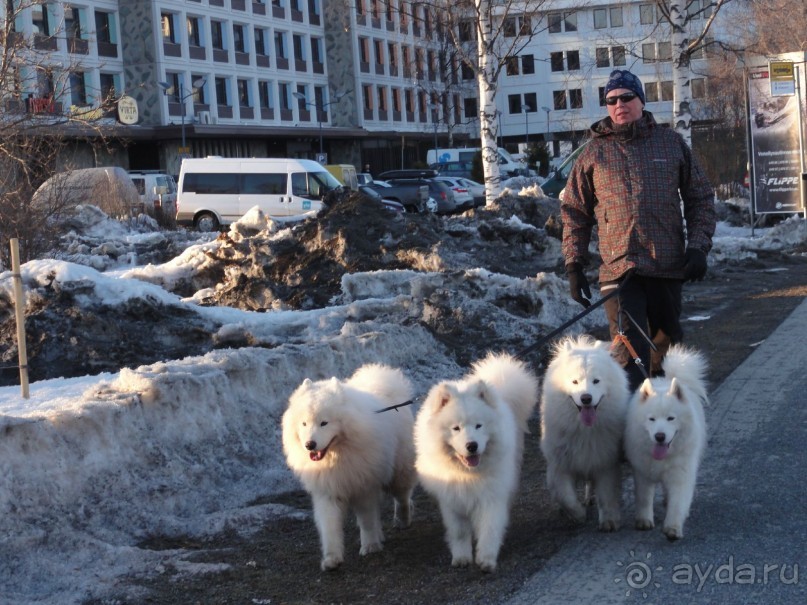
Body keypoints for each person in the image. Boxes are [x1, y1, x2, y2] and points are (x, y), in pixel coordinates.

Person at [561, 69, 716, 390]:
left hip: (666, 266)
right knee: (628, 353)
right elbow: (575, 211)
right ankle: (628, 430)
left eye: (626, 97)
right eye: (611, 100)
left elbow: (700, 197)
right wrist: (574, 265)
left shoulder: (671, 143)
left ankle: (663, 426)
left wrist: (699, 247)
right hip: (619, 272)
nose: (619, 104)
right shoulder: (592, 153)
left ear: (641, 100)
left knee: (666, 352)